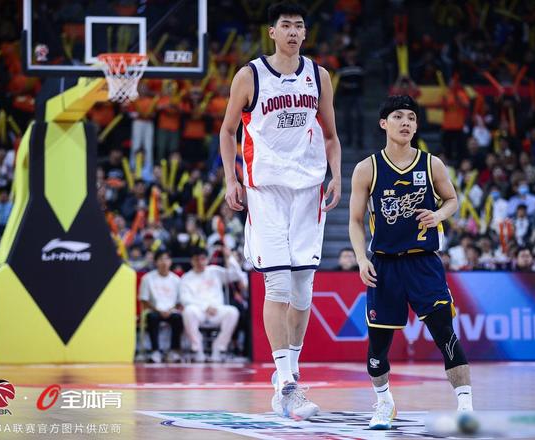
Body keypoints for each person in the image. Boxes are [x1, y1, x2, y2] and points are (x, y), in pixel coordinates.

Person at [219, 1, 342, 420]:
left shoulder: (319, 76)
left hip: (308, 191)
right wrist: (231, 179)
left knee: (303, 289)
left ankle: (290, 372)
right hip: (266, 190)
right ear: (271, 32)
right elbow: (227, 130)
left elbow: (331, 135)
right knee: (278, 286)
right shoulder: (250, 75)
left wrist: (337, 175)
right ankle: (287, 383)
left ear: (305, 33)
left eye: (298, 25)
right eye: (285, 25)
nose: (292, 31)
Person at [349, 95, 472, 430]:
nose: (406, 122)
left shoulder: (431, 164)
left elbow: (452, 200)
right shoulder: (367, 168)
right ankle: (384, 403)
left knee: (445, 334)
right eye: (399, 116)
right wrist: (360, 258)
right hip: (384, 266)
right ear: (383, 123)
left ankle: (465, 407)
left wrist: (439, 215)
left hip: (423, 263)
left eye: (412, 118)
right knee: (378, 348)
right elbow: (355, 221)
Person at [180, 247, 246, 363]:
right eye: (196, 259)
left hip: (217, 310)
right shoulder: (186, 278)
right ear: (192, 261)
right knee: (188, 311)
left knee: (232, 312)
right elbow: (185, 299)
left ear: (207, 259)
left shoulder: (214, 271)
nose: (200, 262)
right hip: (198, 311)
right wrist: (205, 307)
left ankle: (219, 348)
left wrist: (229, 257)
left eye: (202, 259)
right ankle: (198, 349)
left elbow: (236, 275)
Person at [139, 250, 183, 363]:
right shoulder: (147, 278)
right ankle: (155, 351)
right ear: (156, 262)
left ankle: (174, 350)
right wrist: (158, 310)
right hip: (154, 310)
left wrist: (170, 310)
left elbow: (179, 302)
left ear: (171, 262)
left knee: (178, 318)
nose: (164, 262)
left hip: (171, 311)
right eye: (161, 259)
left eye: (166, 259)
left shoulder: (176, 280)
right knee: (152, 317)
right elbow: (144, 300)